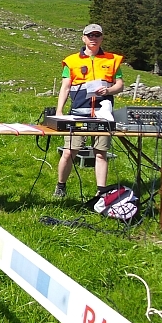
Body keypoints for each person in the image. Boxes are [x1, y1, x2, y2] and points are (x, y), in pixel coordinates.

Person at [53, 24, 124, 198]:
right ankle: (60, 186)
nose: (93, 38)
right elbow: (65, 86)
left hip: (103, 115)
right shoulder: (71, 61)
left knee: (101, 153)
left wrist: (108, 91)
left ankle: (101, 193)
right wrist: (59, 111)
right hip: (78, 113)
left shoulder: (112, 59)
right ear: (83, 38)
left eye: (97, 35)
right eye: (90, 35)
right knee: (69, 151)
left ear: (102, 38)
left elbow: (119, 85)